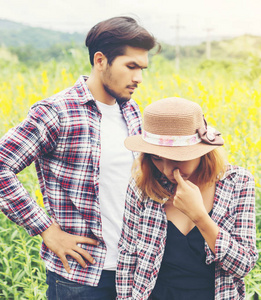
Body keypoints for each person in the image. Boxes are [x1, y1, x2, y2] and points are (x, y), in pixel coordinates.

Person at [0, 16, 158, 299]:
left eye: (142, 68)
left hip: (133, 275)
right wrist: (45, 228)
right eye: (131, 66)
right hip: (81, 278)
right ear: (100, 61)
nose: (138, 78)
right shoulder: (57, 112)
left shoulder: (133, 113)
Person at [116, 97, 258, 299]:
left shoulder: (237, 182)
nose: (166, 170)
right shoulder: (142, 186)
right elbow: (127, 257)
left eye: (176, 158)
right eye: (157, 158)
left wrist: (200, 217)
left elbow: (243, 265)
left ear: (202, 151)